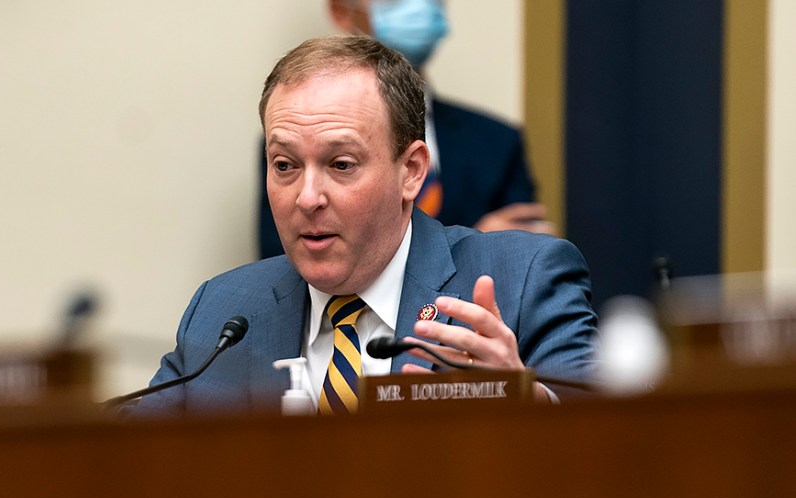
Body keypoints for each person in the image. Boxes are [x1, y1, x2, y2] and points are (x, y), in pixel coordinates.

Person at [133, 34, 596, 417]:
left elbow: (611, 449)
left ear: (411, 171)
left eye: (341, 164)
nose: (308, 198)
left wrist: (529, 403)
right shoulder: (223, 312)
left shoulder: (524, 279)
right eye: (285, 165)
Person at [257, 0, 552, 259]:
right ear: (342, 11)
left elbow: (522, 259)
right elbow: (289, 261)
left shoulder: (497, 142)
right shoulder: (293, 139)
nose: (417, 6)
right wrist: (472, 245)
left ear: (415, 166)